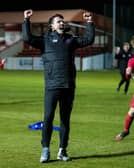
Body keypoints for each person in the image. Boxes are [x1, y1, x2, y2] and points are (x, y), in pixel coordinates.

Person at [22, 9, 95, 163]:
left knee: (65, 120)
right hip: (52, 85)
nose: (61, 22)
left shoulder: (70, 39)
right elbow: (27, 38)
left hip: (68, 85)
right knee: (48, 118)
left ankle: (62, 149)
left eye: (62, 21)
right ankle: (45, 149)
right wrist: (26, 20)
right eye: (58, 21)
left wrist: (89, 22)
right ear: (52, 26)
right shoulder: (45, 40)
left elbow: (88, 39)